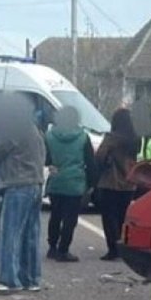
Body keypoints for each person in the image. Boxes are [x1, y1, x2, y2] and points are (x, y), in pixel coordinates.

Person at [0, 92, 46, 293]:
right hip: (36, 185)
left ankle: (9, 280)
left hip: (17, 186)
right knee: (30, 235)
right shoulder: (33, 129)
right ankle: (31, 280)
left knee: (9, 234)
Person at [44, 106, 94, 262]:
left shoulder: (50, 136)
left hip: (56, 180)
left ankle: (52, 247)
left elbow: (46, 159)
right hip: (75, 182)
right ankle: (63, 249)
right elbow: (90, 162)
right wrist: (91, 183)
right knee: (70, 219)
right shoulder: (83, 137)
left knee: (55, 215)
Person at [94, 107, 140, 260]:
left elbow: (100, 156)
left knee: (109, 217)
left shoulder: (111, 138)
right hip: (129, 183)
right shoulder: (134, 140)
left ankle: (112, 249)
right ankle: (124, 247)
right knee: (123, 217)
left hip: (111, 182)